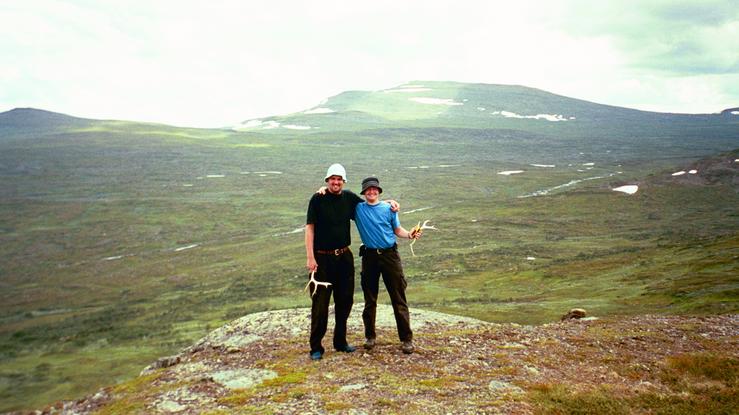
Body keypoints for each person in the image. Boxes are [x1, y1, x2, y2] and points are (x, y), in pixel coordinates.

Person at [304, 164, 399, 360]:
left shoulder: (349, 198)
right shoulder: (317, 199)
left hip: (344, 258)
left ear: (343, 181)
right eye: (332, 179)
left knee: (345, 301)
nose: (336, 182)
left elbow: (370, 203)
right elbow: (309, 229)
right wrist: (310, 257)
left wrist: (390, 203)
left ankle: (340, 342)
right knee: (320, 304)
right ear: (327, 180)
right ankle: (316, 347)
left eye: (339, 179)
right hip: (321, 258)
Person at [354, 177, 420, 354]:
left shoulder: (389, 208)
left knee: (398, 298)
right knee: (370, 299)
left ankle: (406, 339)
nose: (371, 192)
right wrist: (322, 189)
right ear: (364, 192)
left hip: (390, 256)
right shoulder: (357, 209)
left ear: (379, 191)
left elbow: (398, 230)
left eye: (374, 189)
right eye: (368, 190)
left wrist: (409, 235)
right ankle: (370, 337)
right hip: (369, 257)